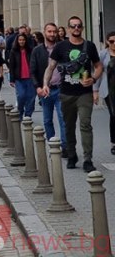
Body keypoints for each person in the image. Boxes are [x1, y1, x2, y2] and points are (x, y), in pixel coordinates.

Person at [42, 16, 103, 172]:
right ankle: (71, 154)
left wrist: (93, 79)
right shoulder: (61, 46)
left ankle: (88, 159)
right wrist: (45, 84)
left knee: (85, 124)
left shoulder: (89, 46)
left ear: (82, 28)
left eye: (79, 26)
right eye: (73, 26)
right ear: (68, 29)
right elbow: (51, 67)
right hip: (66, 93)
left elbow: (98, 66)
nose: (76, 28)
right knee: (68, 126)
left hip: (84, 93)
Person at [31, 23, 67, 156]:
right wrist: (37, 87)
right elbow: (33, 71)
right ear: (45, 33)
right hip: (45, 90)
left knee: (63, 118)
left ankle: (65, 146)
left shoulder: (62, 48)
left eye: (54, 32)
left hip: (61, 88)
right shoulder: (37, 50)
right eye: (49, 31)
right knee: (47, 120)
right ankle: (52, 144)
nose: (52, 34)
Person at [94, 31, 115, 156]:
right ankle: (114, 143)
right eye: (111, 41)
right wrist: (95, 91)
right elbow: (98, 73)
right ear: (107, 42)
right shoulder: (103, 55)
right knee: (113, 115)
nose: (114, 44)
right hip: (109, 89)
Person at [8, 32, 36, 120]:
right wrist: (11, 79)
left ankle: (28, 115)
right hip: (19, 78)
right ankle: (20, 112)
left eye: (23, 40)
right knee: (21, 96)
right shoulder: (14, 51)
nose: (21, 41)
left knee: (31, 97)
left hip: (30, 78)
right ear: (17, 41)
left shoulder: (31, 50)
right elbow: (11, 66)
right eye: (20, 40)